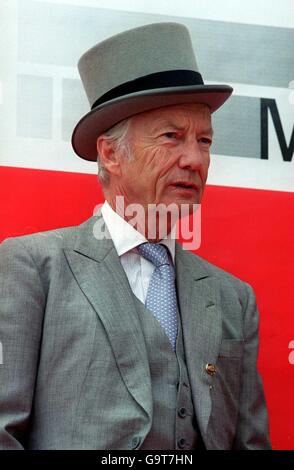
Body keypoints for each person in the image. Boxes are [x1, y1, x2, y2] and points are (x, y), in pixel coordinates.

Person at [0, 22, 271, 450]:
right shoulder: (33, 267)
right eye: (172, 137)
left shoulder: (235, 299)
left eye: (205, 140)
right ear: (111, 153)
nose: (195, 159)